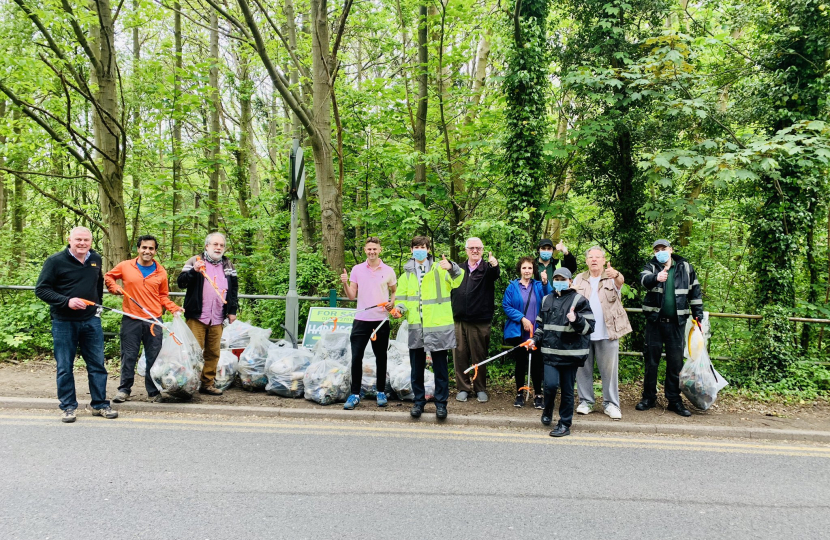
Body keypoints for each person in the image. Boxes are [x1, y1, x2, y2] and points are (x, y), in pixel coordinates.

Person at [34, 226, 118, 423]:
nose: (82, 243)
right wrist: (66, 301)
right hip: (63, 322)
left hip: (90, 321)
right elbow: (42, 290)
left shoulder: (95, 259)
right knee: (65, 366)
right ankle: (68, 407)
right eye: (78, 239)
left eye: (86, 240)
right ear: (69, 240)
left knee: (97, 364)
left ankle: (99, 404)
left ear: (91, 241)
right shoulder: (55, 261)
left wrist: (98, 310)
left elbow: (97, 286)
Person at [105, 235, 183, 404]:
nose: (147, 251)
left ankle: (153, 392)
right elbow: (109, 277)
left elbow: (163, 296)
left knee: (153, 358)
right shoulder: (125, 266)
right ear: (138, 249)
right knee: (129, 356)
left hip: (154, 321)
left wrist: (174, 308)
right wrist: (114, 287)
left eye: (151, 248)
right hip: (131, 318)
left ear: (155, 251)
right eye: (144, 248)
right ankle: (124, 390)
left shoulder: (160, 271)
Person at [394, 236, 464, 420]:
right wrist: (398, 310)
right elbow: (401, 300)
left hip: (438, 327)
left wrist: (452, 267)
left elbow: (458, 280)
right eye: (416, 247)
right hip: (417, 328)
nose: (419, 250)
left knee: (440, 369)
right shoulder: (406, 275)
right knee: (416, 369)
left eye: (423, 247)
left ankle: (441, 405)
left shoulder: (439, 269)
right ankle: (419, 403)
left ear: (428, 249)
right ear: (411, 250)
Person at [636, 239, 704, 417]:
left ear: (671, 250)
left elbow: (694, 291)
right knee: (651, 362)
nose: (660, 252)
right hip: (654, 322)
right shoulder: (651, 266)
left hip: (676, 323)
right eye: (657, 250)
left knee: (675, 364)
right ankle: (648, 398)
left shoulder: (685, 267)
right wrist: (655, 278)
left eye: (663, 249)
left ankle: (674, 400)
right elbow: (643, 280)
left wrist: (698, 315)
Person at [523, 267, 594, 437]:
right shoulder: (546, 299)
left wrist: (576, 319)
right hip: (550, 353)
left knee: (567, 390)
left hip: (570, 355)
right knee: (550, 386)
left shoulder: (579, 300)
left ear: (570, 281)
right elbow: (541, 326)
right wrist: (534, 339)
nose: (560, 282)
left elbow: (589, 327)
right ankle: (547, 411)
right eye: (557, 279)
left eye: (563, 279)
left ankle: (564, 423)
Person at [572, 246, 631, 420]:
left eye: (598, 257)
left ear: (604, 260)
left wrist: (617, 274)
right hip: (583, 333)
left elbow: (620, 282)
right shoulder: (579, 278)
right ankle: (586, 401)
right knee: (582, 369)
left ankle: (611, 404)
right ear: (586, 260)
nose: (594, 260)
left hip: (608, 332)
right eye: (591, 257)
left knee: (609, 372)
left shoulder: (611, 277)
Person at [177, 232, 239, 396]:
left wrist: (232, 311)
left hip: (218, 317)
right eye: (215, 244)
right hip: (197, 315)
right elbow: (181, 282)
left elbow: (233, 290)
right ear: (207, 246)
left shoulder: (228, 265)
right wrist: (193, 272)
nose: (218, 248)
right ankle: (188, 383)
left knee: (213, 352)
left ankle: (207, 383)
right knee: (193, 352)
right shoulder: (195, 261)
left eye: (221, 245)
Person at [340, 237, 398, 409]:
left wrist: (392, 302)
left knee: (381, 357)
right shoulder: (357, 269)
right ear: (365, 250)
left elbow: (394, 291)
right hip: (361, 320)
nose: (372, 252)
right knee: (357, 357)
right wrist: (344, 283)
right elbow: (351, 295)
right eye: (369, 249)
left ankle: (381, 391)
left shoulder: (388, 270)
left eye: (375, 249)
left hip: (380, 320)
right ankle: (355, 394)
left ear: (380, 250)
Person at [451, 237, 500, 403]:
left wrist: (495, 264)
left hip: (480, 321)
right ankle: (463, 388)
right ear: (466, 250)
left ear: (483, 250)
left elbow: (495, 274)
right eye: (471, 248)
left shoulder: (487, 269)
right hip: (459, 320)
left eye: (478, 248)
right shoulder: (459, 268)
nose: (475, 251)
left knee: (479, 356)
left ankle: (480, 388)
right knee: (459, 355)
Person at [502, 256, 550, 409]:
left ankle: (538, 394)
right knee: (520, 364)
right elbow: (507, 306)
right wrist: (522, 318)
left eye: (530, 268)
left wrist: (545, 283)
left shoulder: (538, 285)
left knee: (537, 364)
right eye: (524, 268)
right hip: (520, 332)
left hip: (536, 332)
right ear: (520, 270)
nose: (527, 271)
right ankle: (519, 393)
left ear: (533, 269)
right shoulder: (512, 287)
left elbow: (549, 298)